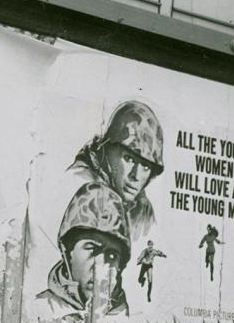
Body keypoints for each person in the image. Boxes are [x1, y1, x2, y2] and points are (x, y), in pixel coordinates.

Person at [71, 101, 165, 242]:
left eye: (146, 167)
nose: (136, 176)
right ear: (107, 149)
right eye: (128, 158)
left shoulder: (142, 210)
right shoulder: (80, 184)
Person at [38, 182, 131, 316]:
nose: (100, 266)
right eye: (92, 249)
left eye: (112, 256)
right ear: (67, 253)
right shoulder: (35, 312)